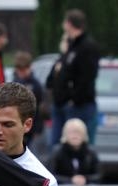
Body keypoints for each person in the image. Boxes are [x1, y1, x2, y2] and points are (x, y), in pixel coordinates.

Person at [47, 9, 100, 145]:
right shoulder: (70, 46)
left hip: (78, 106)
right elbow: (57, 74)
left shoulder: (87, 47)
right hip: (61, 104)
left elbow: (87, 77)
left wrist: (73, 99)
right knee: (57, 148)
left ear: (69, 24)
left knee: (77, 145)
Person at [12, 51, 44, 148]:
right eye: (19, 70)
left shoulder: (35, 85)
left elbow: (39, 107)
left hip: (32, 126)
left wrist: (38, 127)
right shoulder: (13, 83)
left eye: (24, 69)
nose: (22, 73)